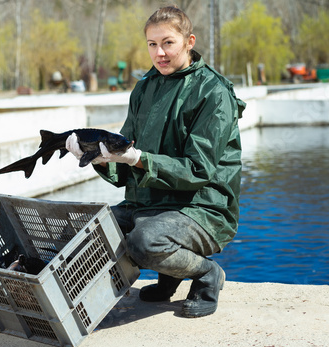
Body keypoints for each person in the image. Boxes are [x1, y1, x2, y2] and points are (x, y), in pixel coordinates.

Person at [66, 5, 245, 318]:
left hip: (202, 208)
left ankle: (206, 275)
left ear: (189, 41)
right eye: (152, 44)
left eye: (168, 43)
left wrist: (140, 159)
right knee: (87, 230)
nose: (159, 53)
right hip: (149, 204)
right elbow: (124, 162)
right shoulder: (145, 87)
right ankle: (169, 276)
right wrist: (96, 158)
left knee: (145, 241)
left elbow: (197, 171)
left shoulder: (214, 93)